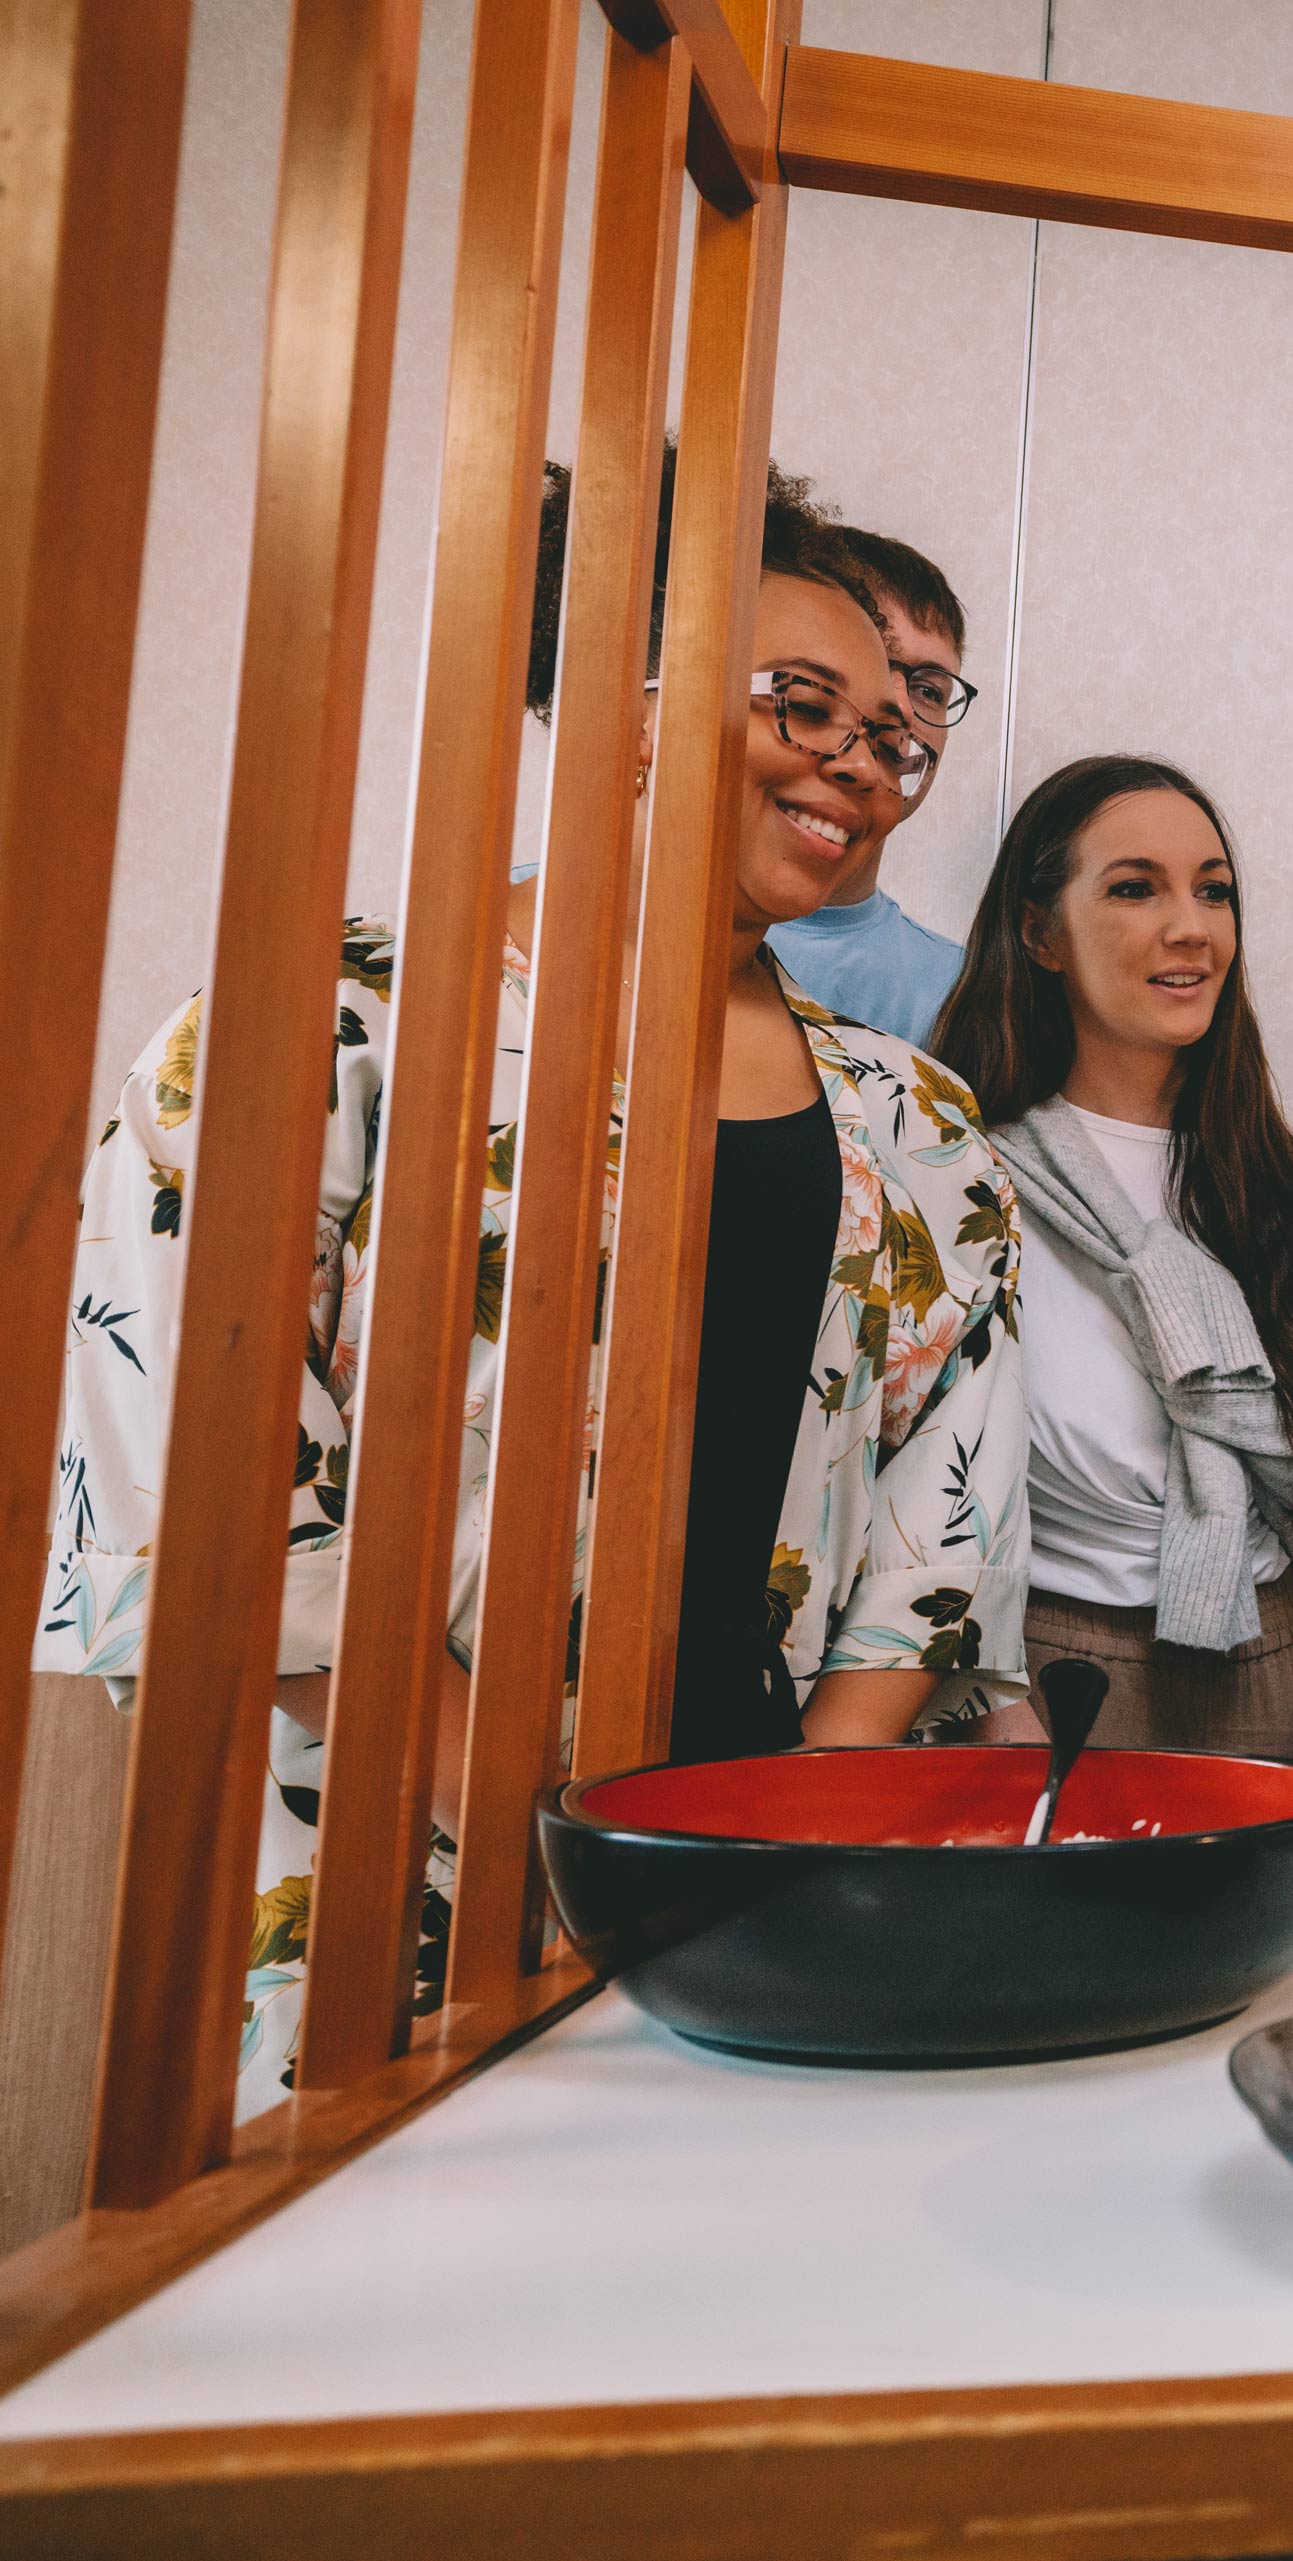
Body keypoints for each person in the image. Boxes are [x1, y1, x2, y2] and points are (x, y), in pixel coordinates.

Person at [40, 476, 1030, 2107]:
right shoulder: (322, 1034)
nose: (860, 763)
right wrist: (555, 1835)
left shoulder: (922, 1137)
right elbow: (200, 1510)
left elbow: (945, 1541)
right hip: (373, 1891)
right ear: (623, 712)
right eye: (802, 706)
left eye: (894, 733)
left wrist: (760, 1855)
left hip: (785, 1917)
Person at [933, 755, 1293, 1767]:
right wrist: (1003, 1723)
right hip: (1030, 1676)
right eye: (1135, 887)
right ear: (1039, 931)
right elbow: (923, 1491)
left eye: (1214, 889)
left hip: (1269, 1660)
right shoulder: (959, 1172)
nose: (1191, 926)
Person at [765, 522, 971, 1044]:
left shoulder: (966, 996)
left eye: (929, 690)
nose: (897, 711)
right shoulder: (542, 911)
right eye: (873, 661)